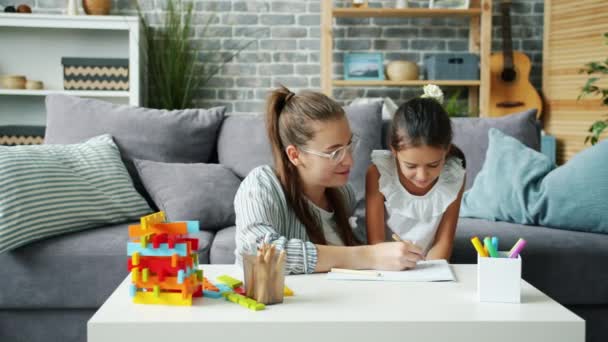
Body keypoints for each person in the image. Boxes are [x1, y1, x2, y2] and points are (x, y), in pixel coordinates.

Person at [234, 85, 424, 274]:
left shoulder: (343, 193)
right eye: (334, 153)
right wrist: (370, 256)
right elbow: (256, 251)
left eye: (349, 145)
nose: (349, 160)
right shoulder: (261, 185)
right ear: (295, 155)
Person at [365, 88, 466, 261]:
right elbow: (376, 243)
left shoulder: (453, 175)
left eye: (433, 164)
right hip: (386, 262)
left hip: (430, 265)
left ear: (446, 150)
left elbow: (444, 241)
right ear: (394, 151)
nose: (422, 176)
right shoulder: (379, 173)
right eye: (411, 166)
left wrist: (430, 274)